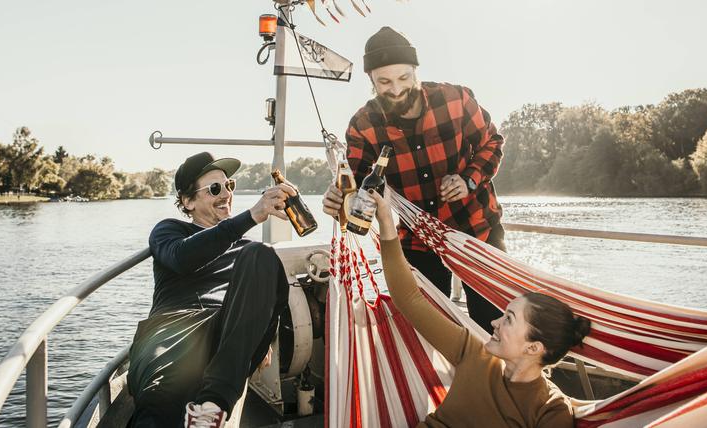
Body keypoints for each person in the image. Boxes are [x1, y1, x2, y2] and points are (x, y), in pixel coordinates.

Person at [322, 26, 506, 333]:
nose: (395, 89)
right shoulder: (363, 124)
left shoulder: (456, 99)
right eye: (384, 81)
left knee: (493, 326)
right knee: (424, 329)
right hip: (418, 237)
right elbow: (355, 181)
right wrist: (339, 197)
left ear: (415, 71)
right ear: (371, 81)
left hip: (476, 227)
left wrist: (468, 180)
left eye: (403, 78)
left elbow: (493, 142)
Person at [369, 188, 591, 427]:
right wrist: (385, 220)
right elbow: (409, 298)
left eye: (508, 319)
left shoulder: (550, 409)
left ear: (533, 347)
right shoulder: (474, 352)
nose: (494, 322)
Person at [127, 151, 298, 428]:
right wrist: (251, 216)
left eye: (229, 186)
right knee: (159, 408)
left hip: (228, 338)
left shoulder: (247, 252)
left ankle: (212, 408)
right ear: (188, 201)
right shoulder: (171, 231)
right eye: (215, 189)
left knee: (261, 254)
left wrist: (262, 334)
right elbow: (182, 258)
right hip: (175, 333)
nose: (226, 195)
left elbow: (263, 298)